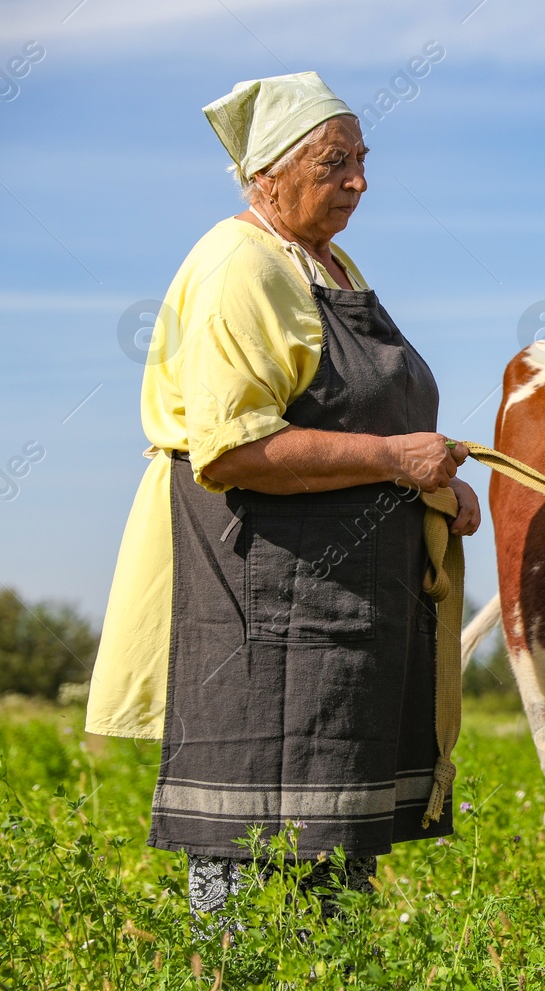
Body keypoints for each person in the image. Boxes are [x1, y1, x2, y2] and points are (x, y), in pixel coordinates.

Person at [86, 72, 479, 924]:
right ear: (267, 172)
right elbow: (231, 449)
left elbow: (364, 419)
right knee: (242, 846)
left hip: (341, 610)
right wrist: (390, 457)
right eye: (337, 163)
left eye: (363, 161)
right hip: (261, 601)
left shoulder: (325, 261)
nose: (360, 182)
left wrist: (432, 491)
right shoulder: (239, 264)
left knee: (336, 857)